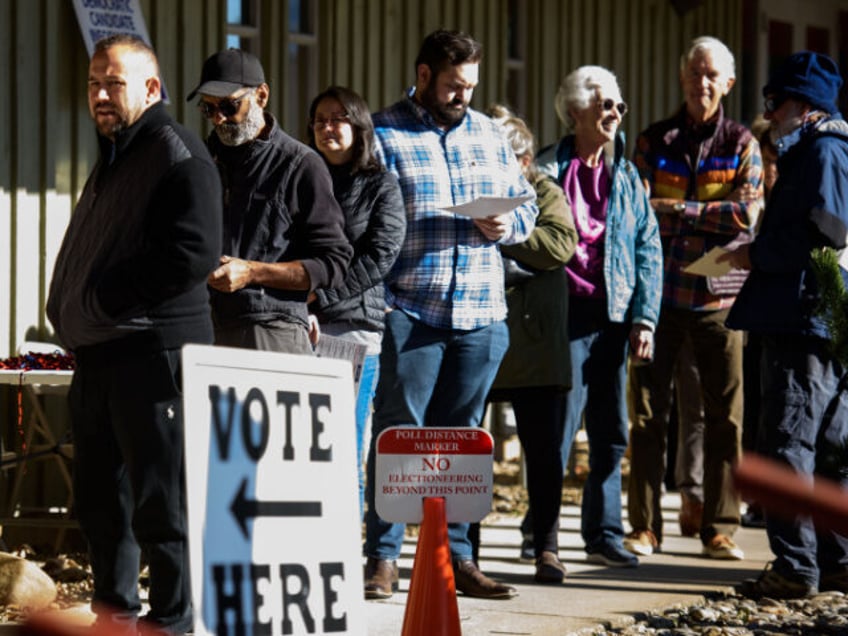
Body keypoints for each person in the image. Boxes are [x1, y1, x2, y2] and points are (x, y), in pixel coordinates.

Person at [46, 34, 222, 634]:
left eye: (113, 83)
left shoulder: (178, 152)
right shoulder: (119, 151)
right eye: (94, 83)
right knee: (101, 500)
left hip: (154, 356)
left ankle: (171, 621)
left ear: (151, 88)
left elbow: (192, 253)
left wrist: (101, 298)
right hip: (101, 355)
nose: (99, 93)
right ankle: (114, 614)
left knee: (161, 503)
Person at [362, 29, 538, 601]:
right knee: (399, 436)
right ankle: (382, 558)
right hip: (411, 308)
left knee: (463, 441)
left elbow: (528, 205)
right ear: (422, 75)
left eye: (470, 86)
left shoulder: (490, 134)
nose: (463, 96)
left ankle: (457, 557)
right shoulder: (385, 134)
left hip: (483, 311)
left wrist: (506, 225)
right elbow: (365, 218)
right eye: (453, 85)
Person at [625, 36, 763, 560]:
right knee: (646, 416)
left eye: (712, 75)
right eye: (693, 74)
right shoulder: (653, 140)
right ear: (682, 80)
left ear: (727, 82)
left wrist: (672, 209)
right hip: (656, 298)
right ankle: (644, 527)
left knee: (726, 417)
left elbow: (744, 215)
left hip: (720, 299)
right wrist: (702, 213)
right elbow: (636, 210)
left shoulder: (742, 143)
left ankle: (719, 527)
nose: (701, 83)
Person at [721, 51, 848, 598]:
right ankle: (836, 563)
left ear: (806, 106)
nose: (770, 114)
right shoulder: (828, 151)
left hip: (806, 321)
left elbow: (827, 233)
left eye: (776, 103)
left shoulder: (822, 152)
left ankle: (796, 568)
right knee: (829, 448)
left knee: (789, 444)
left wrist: (758, 254)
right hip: (824, 321)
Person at [536, 65, 663, 568]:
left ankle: (603, 533)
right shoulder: (545, 170)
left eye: (618, 106)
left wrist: (644, 319)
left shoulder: (627, 177)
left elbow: (647, 248)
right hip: (562, 313)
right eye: (603, 104)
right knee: (557, 432)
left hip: (611, 315)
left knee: (612, 431)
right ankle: (544, 537)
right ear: (574, 112)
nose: (614, 113)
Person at [186, 48, 352, 354]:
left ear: (261, 96)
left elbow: (334, 262)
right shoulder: (199, 160)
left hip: (271, 326)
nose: (219, 118)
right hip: (203, 327)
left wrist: (252, 272)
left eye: (229, 105)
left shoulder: (301, 164)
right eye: (208, 109)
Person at [485, 109, 578, 583]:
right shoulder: (476, 191)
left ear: (523, 160)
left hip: (536, 343)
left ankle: (547, 547)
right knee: (471, 449)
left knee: (543, 453)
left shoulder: (545, 192)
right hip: (480, 334)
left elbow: (562, 243)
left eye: (502, 158)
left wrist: (506, 234)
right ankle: (465, 550)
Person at [305, 85, 406, 518]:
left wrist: (321, 297)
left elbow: (381, 254)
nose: (328, 127)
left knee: (345, 438)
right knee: (305, 443)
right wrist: (298, 305)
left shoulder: (380, 184)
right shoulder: (301, 177)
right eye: (320, 120)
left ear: (358, 125)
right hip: (297, 323)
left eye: (338, 118)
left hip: (351, 327)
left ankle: (344, 545)